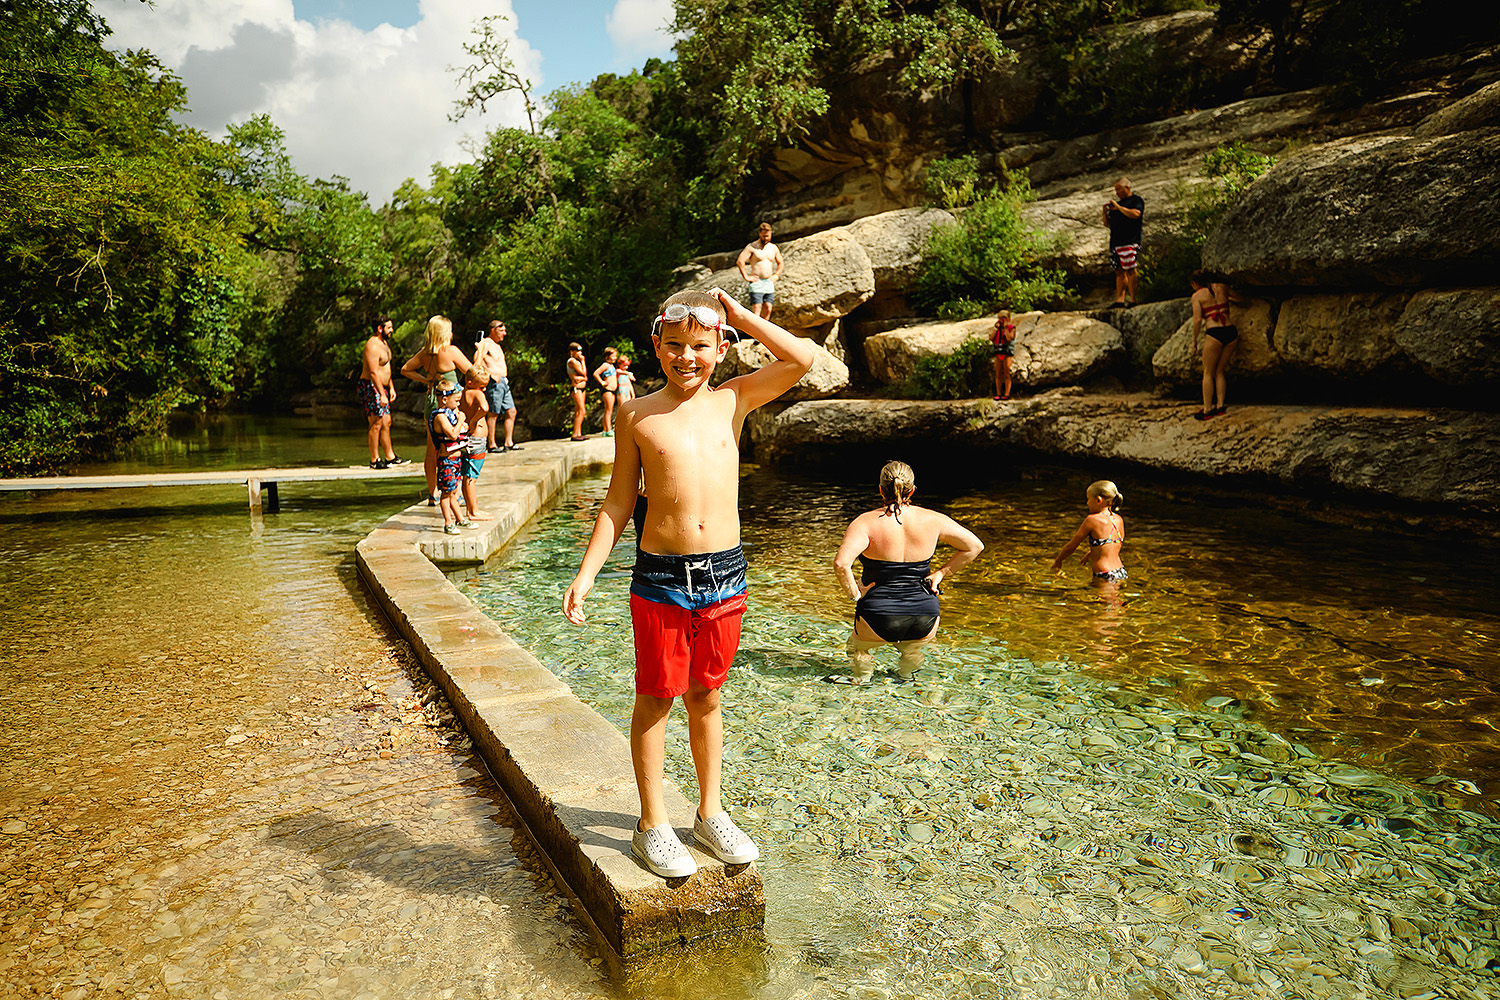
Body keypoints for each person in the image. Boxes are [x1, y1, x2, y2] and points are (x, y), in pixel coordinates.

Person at [562, 288, 813, 880]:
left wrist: (742, 315)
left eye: (700, 346)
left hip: (726, 572)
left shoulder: (735, 399)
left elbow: (801, 357)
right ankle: (653, 824)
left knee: (707, 694)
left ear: (722, 348)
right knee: (656, 695)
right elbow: (619, 499)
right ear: (656, 346)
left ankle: (709, 812)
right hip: (662, 577)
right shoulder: (636, 414)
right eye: (674, 346)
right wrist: (588, 571)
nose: (687, 357)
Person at [831, 461, 984, 685]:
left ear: (881, 489)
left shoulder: (864, 523)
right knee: (912, 651)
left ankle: (862, 680)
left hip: (878, 615)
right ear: (912, 490)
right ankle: (905, 678)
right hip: (925, 614)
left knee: (857, 649)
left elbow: (841, 564)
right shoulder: (934, 519)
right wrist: (942, 572)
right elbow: (974, 546)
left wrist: (855, 593)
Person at [401, 316, 473, 505]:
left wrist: (427, 381)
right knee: (452, 446)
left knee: (432, 448)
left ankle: (433, 493)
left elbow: (405, 369)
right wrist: (479, 353)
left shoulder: (425, 353)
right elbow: (471, 371)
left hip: (431, 401)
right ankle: (453, 493)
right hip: (448, 405)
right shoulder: (451, 351)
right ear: (444, 332)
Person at [357, 316, 409, 469]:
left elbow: (385, 369)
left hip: (382, 387)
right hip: (371, 386)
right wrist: (382, 393)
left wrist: (390, 387)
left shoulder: (384, 343)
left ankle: (390, 457)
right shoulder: (372, 346)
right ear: (380, 328)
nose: (392, 330)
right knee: (376, 423)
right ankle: (374, 460)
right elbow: (373, 372)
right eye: (389, 327)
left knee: (387, 422)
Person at [1050, 480, 1127, 583]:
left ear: (1098, 500)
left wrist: (1058, 561)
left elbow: (1071, 546)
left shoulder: (1092, 520)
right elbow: (1111, 544)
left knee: (1104, 599)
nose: (1087, 503)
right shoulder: (1119, 519)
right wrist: (1091, 553)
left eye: (1088, 499)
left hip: (1104, 573)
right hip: (1120, 571)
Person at [1189, 270, 1238, 420]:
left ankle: (1208, 409)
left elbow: (1197, 320)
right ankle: (1221, 405)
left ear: (1195, 283)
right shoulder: (1222, 287)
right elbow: (1241, 298)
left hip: (1214, 333)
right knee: (1219, 371)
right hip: (1231, 331)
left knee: (1208, 372)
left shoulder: (1197, 296)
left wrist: (1194, 341)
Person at [474, 319, 521, 452]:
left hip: (503, 382)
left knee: (512, 411)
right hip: (494, 383)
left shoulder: (496, 345)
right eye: (501, 330)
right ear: (493, 330)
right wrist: (489, 374)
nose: (504, 333)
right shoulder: (487, 342)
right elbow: (477, 358)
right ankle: (492, 444)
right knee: (493, 413)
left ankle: (508, 442)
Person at [428, 382, 468, 534]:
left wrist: (462, 422)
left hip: (456, 460)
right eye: (456, 401)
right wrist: (461, 420)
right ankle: (448, 523)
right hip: (447, 461)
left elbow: (462, 430)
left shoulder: (451, 414)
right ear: (444, 400)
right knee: (445, 494)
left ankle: (460, 519)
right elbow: (452, 434)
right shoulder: (440, 417)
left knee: (453, 493)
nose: (458, 404)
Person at [1102, 177, 1145, 308]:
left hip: (1129, 241)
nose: (1117, 193)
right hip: (1116, 242)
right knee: (1119, 271)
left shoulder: (1136, 200)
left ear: (1127, 187)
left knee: (1130, 269)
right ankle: (1119, 300)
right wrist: (1105, 212)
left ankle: (1132, 299)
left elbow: (1136, 214)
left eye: (1119, 189)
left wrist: (1119, 207)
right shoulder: (1117, 205)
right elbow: (1107, 223)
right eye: (1115, 190)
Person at [457, 368, 493, 521]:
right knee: (471, 477)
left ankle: (472, 509)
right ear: (471, 383)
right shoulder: (476, 393)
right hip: (476, 439)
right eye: (482, 386)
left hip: (466, 438)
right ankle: (473, 512)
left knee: (467, 474)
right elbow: (485, 408)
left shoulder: (462, 392)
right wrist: (474, 420)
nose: (484, 389)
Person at [735, 222, 784, 320]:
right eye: (764, 236)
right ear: (760, 234)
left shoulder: (773, 247)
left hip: (768, 282)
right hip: (757, 282)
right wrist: (746, 276)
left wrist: (776, 275)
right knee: (757, 308)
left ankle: (763, 331)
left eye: (768, 236)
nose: (766, 238)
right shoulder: (752, 247)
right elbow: (740, 261)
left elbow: (781, 263)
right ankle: (755, 332)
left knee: (768, 308)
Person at [592, 347, 620, 438]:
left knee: (609, 410)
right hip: (607, 390)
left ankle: (605, 429)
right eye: (613, 356)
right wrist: (602, 382)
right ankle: (608, 430)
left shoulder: (611, 366)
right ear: (608, 356)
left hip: (612, 391)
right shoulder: (605, 365)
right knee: (608, 410)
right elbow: (596, 373)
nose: (615, 358)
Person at [990, 310, 1015, 401]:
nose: (1002, 320)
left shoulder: (1011, 329)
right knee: (998, 374)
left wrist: (1005, 328)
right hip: (998, 354)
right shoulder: (997, 330)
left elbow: (1009, 339)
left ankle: (1007, 393)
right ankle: (998, 393)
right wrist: (996, 328)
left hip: (1006, 354)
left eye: (1004, 318)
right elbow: (991, 338)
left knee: (1007, 373)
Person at [566, 342, 588, 441]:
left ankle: (579, 433)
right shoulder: (572, 361)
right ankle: (575, 434)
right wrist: (583, 361)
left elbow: (584, 376)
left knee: (578, 411)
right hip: (576, 388)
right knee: (582, 410)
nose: (580, 353)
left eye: (581, 351)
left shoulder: (577, 361)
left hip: (581, 388)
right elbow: (583, 373)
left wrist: (583, 378)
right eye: (578, 351)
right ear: (572, 351)